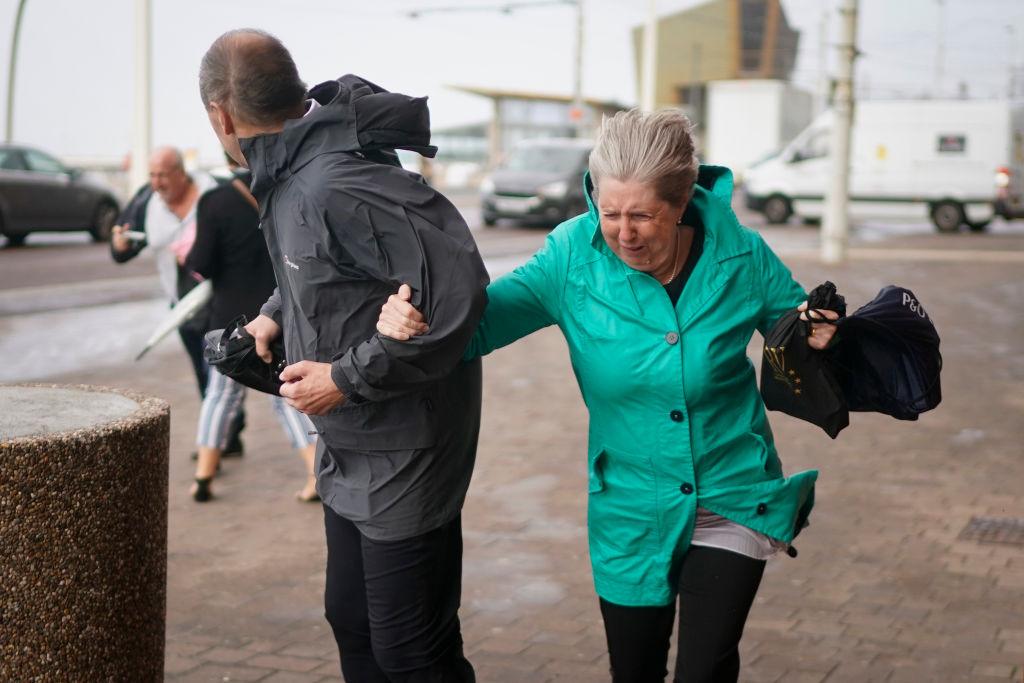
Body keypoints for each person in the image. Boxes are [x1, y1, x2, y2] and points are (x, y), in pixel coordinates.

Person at [376, 109, 841, 683]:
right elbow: (474, 329)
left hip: (732, 490)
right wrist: (412, 321)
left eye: (643, 215)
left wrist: (821, 334)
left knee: (705, 668)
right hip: (630, 505)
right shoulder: (572, 255)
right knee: (634, 671)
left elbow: (797, 332)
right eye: (610, 212)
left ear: (680, 203)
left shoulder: (740, 256)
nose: (623, 232)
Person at [198, 29, 489, 682]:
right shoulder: (292, 171)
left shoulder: (335, 179)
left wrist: (346, 377)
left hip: (404, 447)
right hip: (348, 444)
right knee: (351, 621)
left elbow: (460, 285)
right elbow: (327, 268)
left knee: (411, 652)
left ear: (221, 115)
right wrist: (273, 319)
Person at [184, 154, 318, 503]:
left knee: (219, 397)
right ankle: (314, 472)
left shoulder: (215, 201)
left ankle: (204, 475)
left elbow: (200, 262)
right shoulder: (282, 192)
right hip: (281, 313)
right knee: (286, 396)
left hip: (233, 318)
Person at [110, 147, 244, 455]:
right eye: (152, 175)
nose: (157, 183)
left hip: (221, 298)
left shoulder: (214, 191)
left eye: (163, 175)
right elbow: (123, 246)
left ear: (181, 173)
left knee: (220, 369)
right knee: (203, 371)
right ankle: (227, 433)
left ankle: (218, 437)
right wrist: (118, 244)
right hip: (182, 305)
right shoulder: (146, 200)